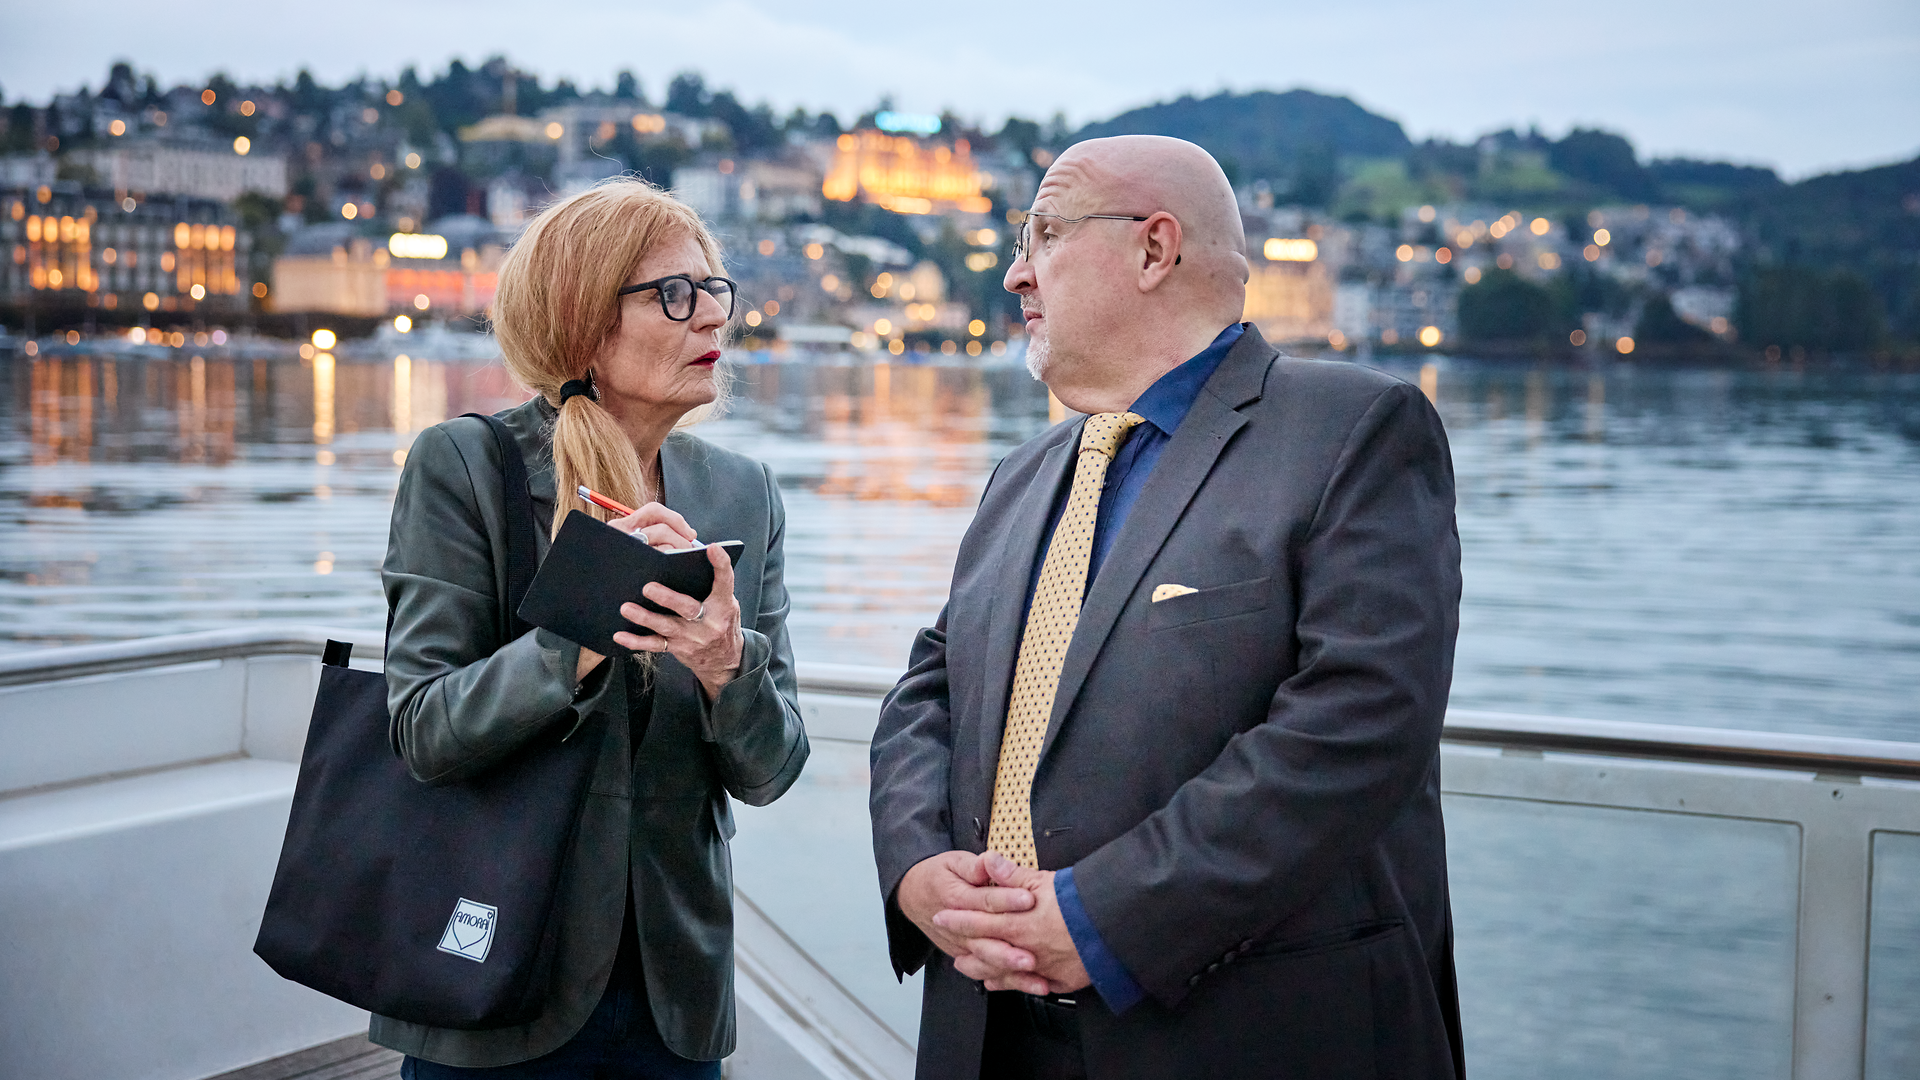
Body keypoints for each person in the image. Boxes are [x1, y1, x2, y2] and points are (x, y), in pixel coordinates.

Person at [869, 136, 1465, 1079]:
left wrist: (1104, 920)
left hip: (1245, 1037)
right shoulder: (1020, 476)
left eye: (1044, 234)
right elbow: (929, 687)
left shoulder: (1354, 430)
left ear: (1154, 250)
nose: (1016, 273)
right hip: (987, 1034)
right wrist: (916, 871)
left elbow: (1360, 724)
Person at [375, 178, 809, 1078]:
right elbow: (422, 729)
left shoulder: (742, 494)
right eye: (674, 295)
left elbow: (771, 770)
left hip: (674, 998)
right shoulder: (465, 465)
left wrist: (728, 664)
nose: (711, 318)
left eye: (715, 289)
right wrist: (577, 631)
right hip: (498, 971)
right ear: (583, 323)